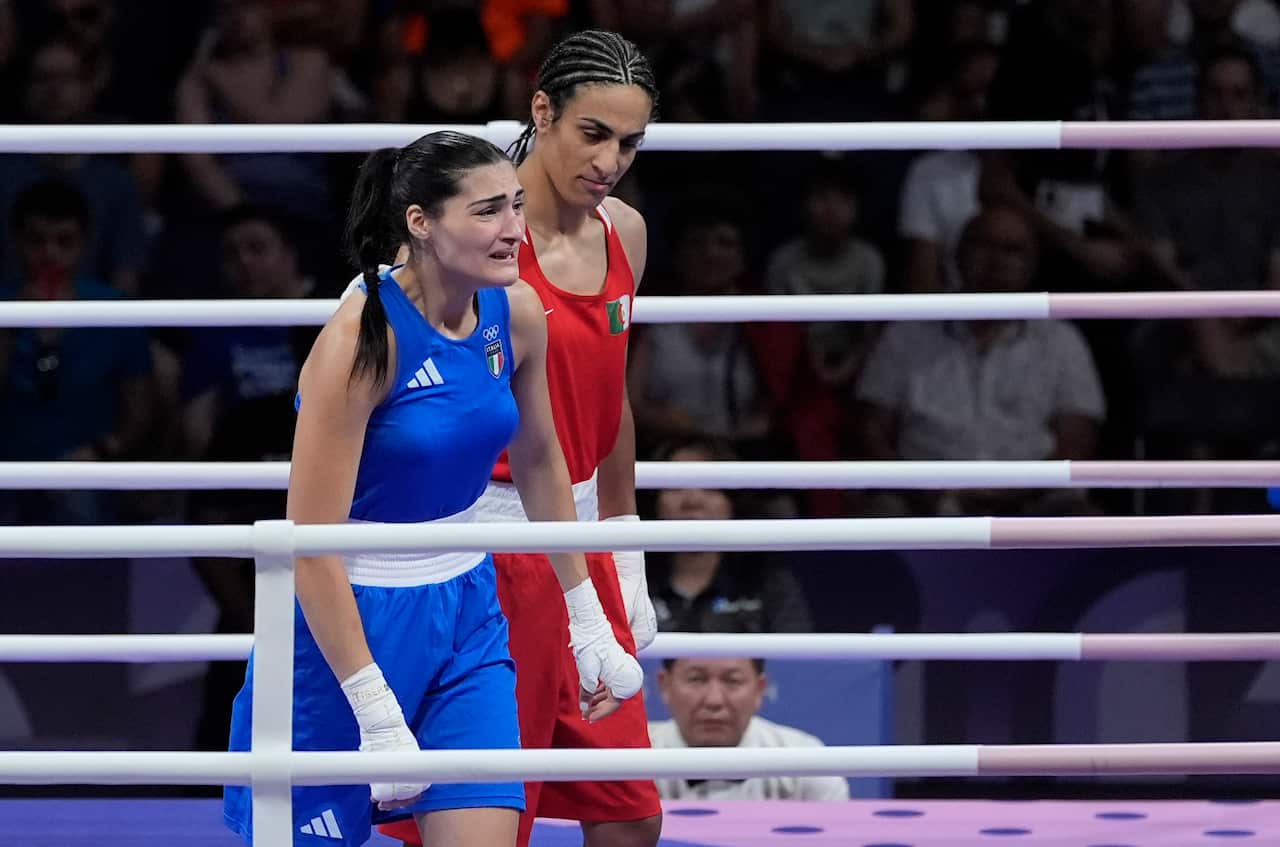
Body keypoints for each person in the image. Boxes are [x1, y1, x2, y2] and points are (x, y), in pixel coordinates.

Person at [222, 130, 642, 847]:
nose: (515, 229)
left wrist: (587, 615)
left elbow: (541, 459)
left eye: (515, 204)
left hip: (468, 614)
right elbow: (311, 543)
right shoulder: (364, 338)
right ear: (420, 222)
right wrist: (374, 705)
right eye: (487, 212)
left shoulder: (517, 313)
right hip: (341, 626)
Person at [381, 29, 663, 847]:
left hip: (580, 546)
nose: (610, 159)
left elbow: (610, 396)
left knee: (630, 815)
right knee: (485, 820)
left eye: (630, 142)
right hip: (486, 546)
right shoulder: (465, 243)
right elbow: (411, 405)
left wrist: (625, 536)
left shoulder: (626, 234)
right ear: (542, 111)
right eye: (593, 133)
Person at [649, 657, 850, 801]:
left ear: (760, 688)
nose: (714, 700)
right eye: (696, 679)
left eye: (732, 681)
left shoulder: (807, 762)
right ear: (665, 685)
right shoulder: (627, 759)